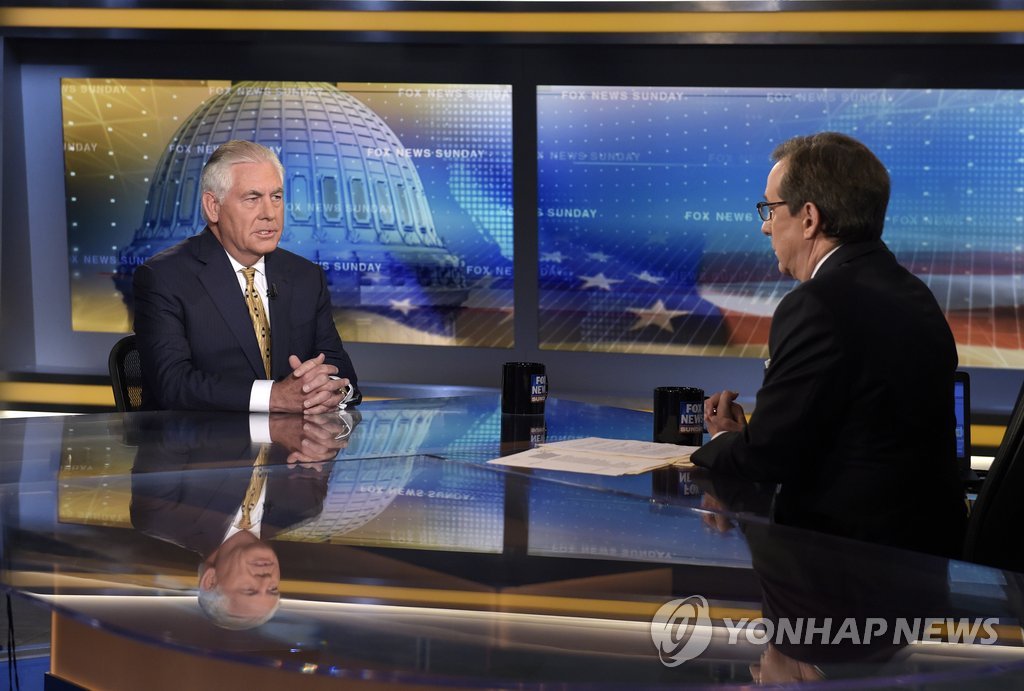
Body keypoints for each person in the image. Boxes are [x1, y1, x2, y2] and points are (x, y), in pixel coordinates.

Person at [691, 132, 967, 558]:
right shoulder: (913, 292)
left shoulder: (817, 304)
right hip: (919, 559)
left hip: (841, 566)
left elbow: (766, 457)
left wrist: (723, 440)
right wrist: (755, 435)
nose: (765, 225)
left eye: (770, 209)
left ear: (809, 218)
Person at [133, 139, 360, 413]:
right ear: (213, 206)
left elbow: (340, 370)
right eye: (252, 198)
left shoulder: (306, 276)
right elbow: (173, 384)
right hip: (202, 438)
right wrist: (274, 397)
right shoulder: (165, 278)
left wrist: (332, 391)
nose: (269, 214)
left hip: (295, 438)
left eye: (276, 197)